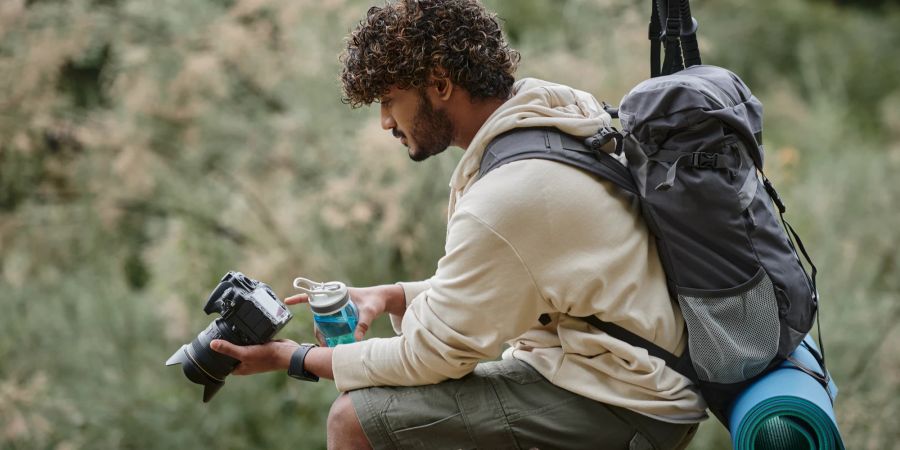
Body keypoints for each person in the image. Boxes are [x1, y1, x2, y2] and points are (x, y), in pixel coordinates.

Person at [211, 1, 706, 448]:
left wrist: (291, 358)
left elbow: (428, 357)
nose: (385, 122)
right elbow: (510, 282)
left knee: (354, 420)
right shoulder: (552, 119)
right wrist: (394, 295)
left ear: (441, 85)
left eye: (389, 100)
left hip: (627, 401)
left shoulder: (508, 196)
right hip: (618, 372)